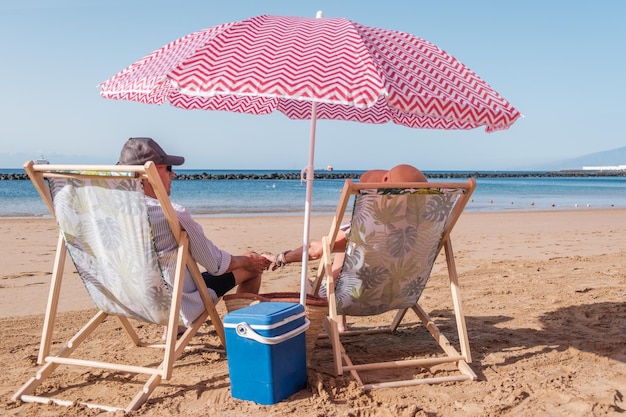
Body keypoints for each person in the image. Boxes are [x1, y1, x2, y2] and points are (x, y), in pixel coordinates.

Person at [117, 137, 271, 330]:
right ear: (152, 173)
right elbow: (215, 264)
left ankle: (174, 329)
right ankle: (242, 333)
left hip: (126, 299)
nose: (173, 175)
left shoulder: (109, 213)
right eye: (169, 168)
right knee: (252, 269)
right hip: (177, 306)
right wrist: (248, 260)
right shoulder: (171, 214)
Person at [270, 164, 428, 331]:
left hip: (354, 297)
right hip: (403, 294)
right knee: (347, 249)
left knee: (310, 283)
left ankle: (340, 324)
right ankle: (340, 324)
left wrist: (281, 258)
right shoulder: (425, 228)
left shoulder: (364, 228)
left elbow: (314, 251)